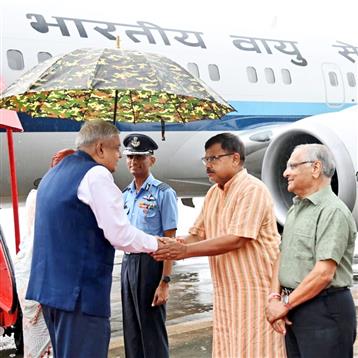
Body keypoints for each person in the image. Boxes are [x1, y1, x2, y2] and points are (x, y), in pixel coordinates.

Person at [26, 121, 167, 358]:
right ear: (100, 148)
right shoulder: (96, 174)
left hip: (52, 294)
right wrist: (159, 244)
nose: (121, 155)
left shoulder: (55, 172)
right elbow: (120, 234)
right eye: (116, 149)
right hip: (79, 297)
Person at [153, 132, 285, 357]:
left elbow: (237, 238)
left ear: (235, 158)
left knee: (259, 350)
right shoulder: (214, 193)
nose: (208, 165)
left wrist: (184, 251)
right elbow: (197, 235)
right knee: (230, 349)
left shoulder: (252, 189)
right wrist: (168, 244)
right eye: (206, 160)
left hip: (256, 292)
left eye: (214, 159)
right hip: (227, 295)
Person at [265, 144, 357, 358]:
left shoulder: (332, 211)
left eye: (293, 166)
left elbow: (323, 273)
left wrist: (285, 304)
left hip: (323, 310)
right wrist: (274, 298)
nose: (286, 172)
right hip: (295, 307)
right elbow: (282, 255)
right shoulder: (296, 208)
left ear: (316, 168)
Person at [121, 133, 178, 358]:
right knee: (132, 330)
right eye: (130, 157)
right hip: (128, 264)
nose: (134, 162)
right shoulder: (125, 195)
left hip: (152, 264)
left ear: (151, 160)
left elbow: (170, 240)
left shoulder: (163, 193)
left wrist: (165, 281)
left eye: (140, 157)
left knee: (151, 330)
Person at [14, 148, 75, 358]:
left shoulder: (41, 195)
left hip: (33, 275)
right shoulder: (52, 198)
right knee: (46, 339)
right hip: (42, 279)